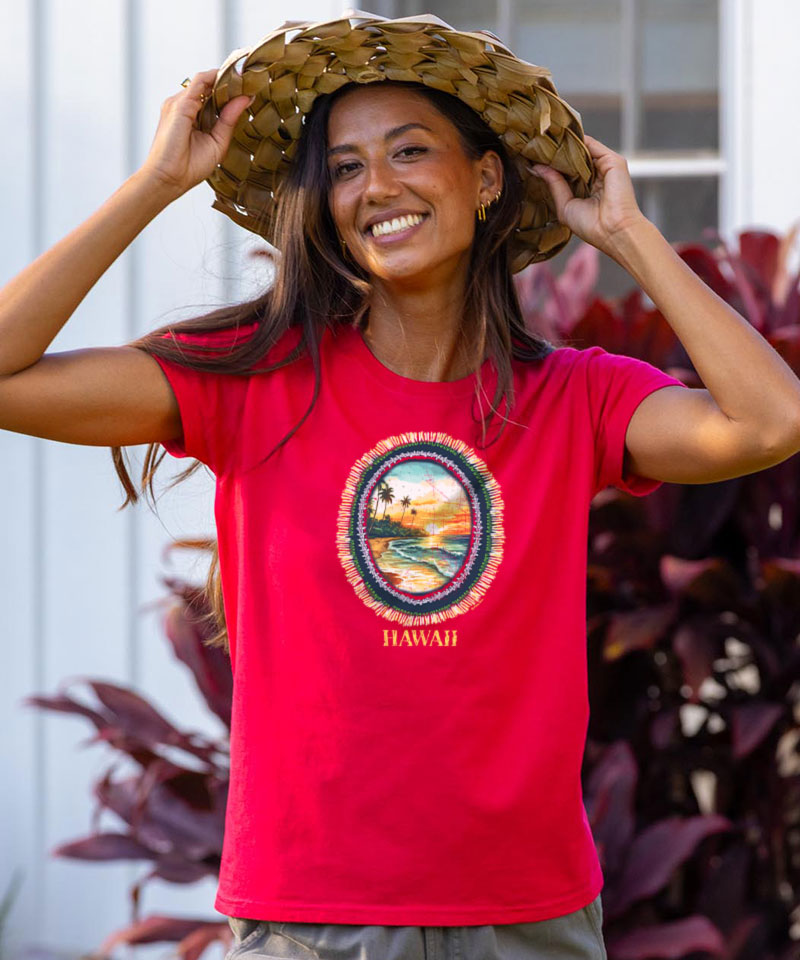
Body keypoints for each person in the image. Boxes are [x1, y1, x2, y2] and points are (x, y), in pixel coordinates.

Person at [2, 12, 800, 960]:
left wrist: (627, 233)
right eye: (343, 167)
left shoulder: (574, 396)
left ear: (487, 178)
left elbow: (769, 421)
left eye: (410, 151)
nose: (376, 186)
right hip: (314, 914)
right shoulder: (254, 380)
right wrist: (156, 184)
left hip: (529, 913)